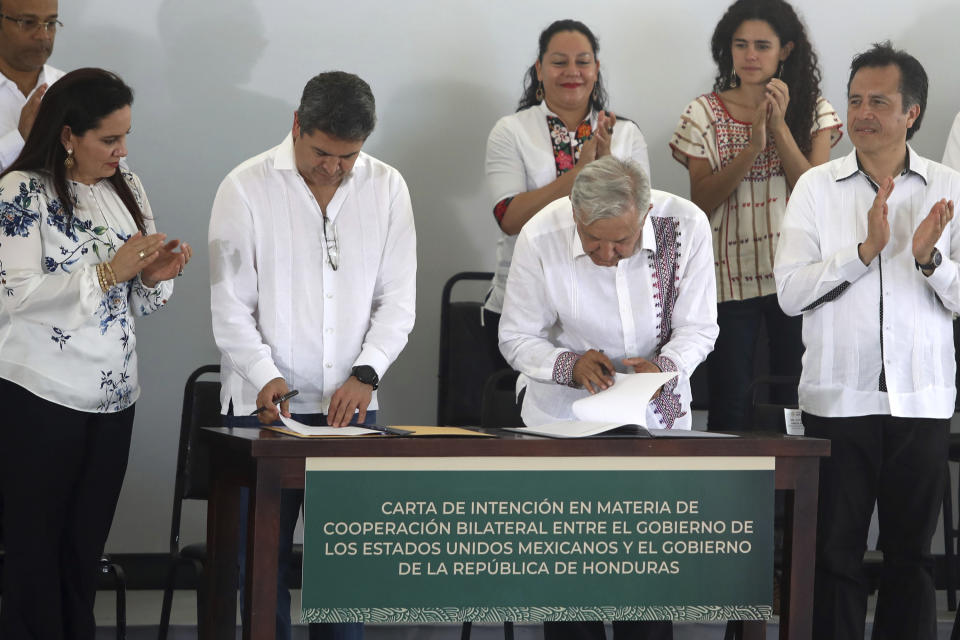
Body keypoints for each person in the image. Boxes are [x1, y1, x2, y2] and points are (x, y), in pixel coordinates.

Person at [209, 71, 416, 640]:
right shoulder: (245, 187)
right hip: (262, 409)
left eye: (348, 157)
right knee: (261, 571)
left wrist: (366, 374)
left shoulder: (388, 187)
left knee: (344, 575)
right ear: (296, 126)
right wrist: (264, 375)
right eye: (322, 152)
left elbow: (398, 302)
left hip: (353, 408)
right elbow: (229, 308)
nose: (333, 168)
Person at [774, 42, 960, 639]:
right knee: (835, 558)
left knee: (912, 560)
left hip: (921, 402)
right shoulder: (815, 189)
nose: (862, 114)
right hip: (838, 403)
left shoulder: (947, 188)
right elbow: (790, 294)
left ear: (913, 113)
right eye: (855, 100)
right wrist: (863, 254)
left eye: (879, 102)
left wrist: (930, 260)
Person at [0, 67, 190, 639]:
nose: (121, 151)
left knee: (85, 548)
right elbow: (16, 295)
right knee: (35, 549)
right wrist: (108, 272)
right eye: (109, 139)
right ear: (67, 135)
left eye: (125, 137)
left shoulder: (124, 185)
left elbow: (142, 298)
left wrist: (154, 276)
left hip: (113, 398)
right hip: (41, 395)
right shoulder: (18, 192)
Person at [499, 156, 717, 639]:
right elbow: (515, 337)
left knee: (646, 580)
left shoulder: (687, 225)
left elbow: (700, 329)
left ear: (645, 212)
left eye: (620, 241)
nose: (605, 253)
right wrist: (568, 365)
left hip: (655, 418)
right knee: (571, 581)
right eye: (592, 240)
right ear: (574, 214)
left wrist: (660, 368)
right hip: (563, 420)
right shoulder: (541, 234)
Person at [669, 0, 841, 430]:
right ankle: (728, 496)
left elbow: (816, 192)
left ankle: (790, 497)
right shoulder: (703, 113)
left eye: (762, 46)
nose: (749, 56)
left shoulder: (814, 108)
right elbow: (700, 201)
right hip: (727, 276)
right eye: (740, 44)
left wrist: (779, 129)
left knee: (793, 395)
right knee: (731, 397)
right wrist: (751, 148)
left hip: (795, 274)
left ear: (785, 50)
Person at [484, 19, 650, 368]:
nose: (572, 71)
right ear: (539, 70)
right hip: (525, 305)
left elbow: (641, 219)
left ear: (596, 69)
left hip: (609, 307)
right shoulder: (512, 130)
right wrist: (580, 174)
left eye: (583, 62)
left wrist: (602, 173)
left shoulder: (626, 133)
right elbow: (509, 218)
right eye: (559, 62)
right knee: (531, 417)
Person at [0, 0, 64, 171]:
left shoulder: (71, 89)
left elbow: (113, 170)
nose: (44, 35)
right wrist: (19, 139)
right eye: (28, 22)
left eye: (50, 23)